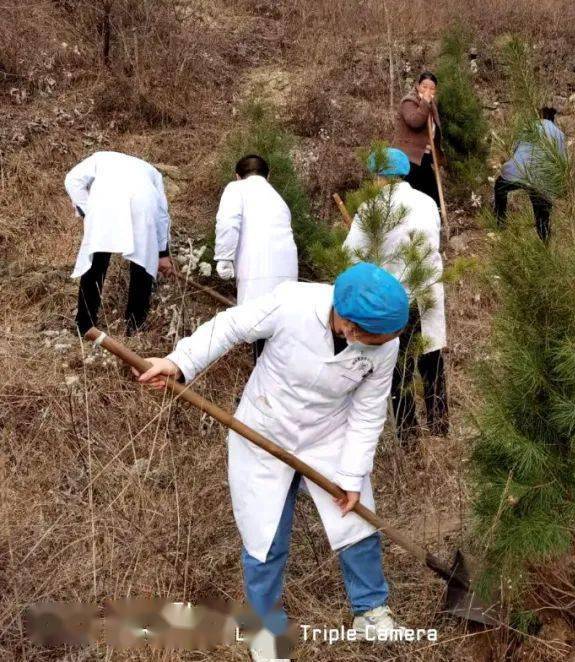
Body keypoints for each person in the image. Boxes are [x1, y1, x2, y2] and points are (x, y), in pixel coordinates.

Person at [134, 263, 410, 660]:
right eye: (378, 338)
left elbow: (368, 411)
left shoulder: (384, 344)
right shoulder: (292, 302)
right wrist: (178, 362)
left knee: (356, 522)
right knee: (265, 534)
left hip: (328, 435)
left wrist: (351, 475)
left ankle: (369, 610)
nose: (384, 344)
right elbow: (230, 326)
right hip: (264, 430)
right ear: (350, 326)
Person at [343, 148, 448, 440]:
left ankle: (410, 437)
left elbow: (352, 256)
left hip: (395, 298)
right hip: (428, 289)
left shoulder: (371, 208)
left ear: (379, 177)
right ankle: (440, 428)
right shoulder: (426, 201)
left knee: (398, 368)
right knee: (431, 360)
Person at [65, 151, 173, 335]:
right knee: (142, 264)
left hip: (106, 199)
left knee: (95, 263)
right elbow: (162, 213)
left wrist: (87, 209)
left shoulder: (100, 157)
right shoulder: (151, 170)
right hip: (144, 201)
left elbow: (72, 180)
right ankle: (134, 326)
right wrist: (162, 254)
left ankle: (85, 325)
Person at [214, 154, 299, 359]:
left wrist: (224, 257)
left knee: (257, 325)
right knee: (279, 332)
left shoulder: (236, 188)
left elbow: (228, 222)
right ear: (268, 175)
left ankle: (260, 378)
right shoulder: (278, 198)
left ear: (237, 176)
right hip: (287, 273)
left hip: (257, 269)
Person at [493, 107, 567, 241]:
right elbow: (561, 164)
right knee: (542, 214)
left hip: (517, 171)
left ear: (539, 114)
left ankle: (500, 224)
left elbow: (515, 149)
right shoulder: (559, 134)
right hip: (540, 179)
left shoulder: (528, 127)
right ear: (553, 118)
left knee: (499, 186)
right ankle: (545, 243)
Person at [391, 71, 442, 207]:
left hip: (423, 157)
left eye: (432, 88)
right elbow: (415, 121)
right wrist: (425, 102)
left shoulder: (431, 104)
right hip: (409, 158)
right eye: (425, 87)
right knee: (413, 197)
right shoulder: (409, 101)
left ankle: (434, 224)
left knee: (432, 197)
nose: (428, 91)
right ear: (418, 86)